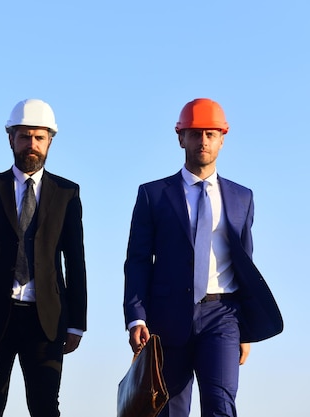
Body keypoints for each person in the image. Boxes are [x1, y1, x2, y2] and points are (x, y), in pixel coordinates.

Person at [123, 98, 283, 416]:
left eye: (211, 133)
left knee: (221, 407)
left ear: (223, 138)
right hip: (167, 318)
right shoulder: (152, 195)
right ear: (181, 137)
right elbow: (138, 260)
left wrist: (245, 329)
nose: (203, 141)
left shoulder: (242, 197)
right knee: (170, 410)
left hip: (223, 316)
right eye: (195, 133)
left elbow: (244, 262)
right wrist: (136, 317)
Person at [0, 98, 87, 417]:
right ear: (10, 138)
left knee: (45, 406)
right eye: (24, 136)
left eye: (39, 137)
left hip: (47, 320)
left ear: (50, 140)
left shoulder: (67, 194)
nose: (31, 145)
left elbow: (75, 261)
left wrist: (77, 323)